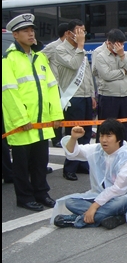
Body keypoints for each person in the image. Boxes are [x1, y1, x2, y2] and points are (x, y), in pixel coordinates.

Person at [2, 14, 64, 211]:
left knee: (40, 161)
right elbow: (9, 92)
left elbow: (52, 87)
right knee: (21, 164)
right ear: (15, 35)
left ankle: (41, 193)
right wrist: (21, 119)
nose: (31, 34)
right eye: (26, 31)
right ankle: (25, 197)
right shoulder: (8, 59)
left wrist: (55, 115)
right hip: (22, 123)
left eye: (32, 30)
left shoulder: (39, 57)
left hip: (41, 122)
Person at [51, 119, 127, 229]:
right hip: (98, 195)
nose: (104, 140)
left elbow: (118, 189)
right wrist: (74, 138)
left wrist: (94, 207)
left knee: (122, 201)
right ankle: (114, 217)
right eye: (102, 136)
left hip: (120, 197)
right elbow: (73, 154)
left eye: (109, 136)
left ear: (119, 138)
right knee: (70, 202)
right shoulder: (97, 149)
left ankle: (76, 220)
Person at [56, 19, 96, 181]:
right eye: (79, 30)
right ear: (69, 33)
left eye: (84, 31)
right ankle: (69, 167)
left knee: (86, 133)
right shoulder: (61, 50)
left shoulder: (81, 50)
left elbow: (87, 74)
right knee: (74, 133)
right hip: (73, 98)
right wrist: (80, 47)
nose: (82, 34)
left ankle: (82, 163)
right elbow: (73, 65)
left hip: (86, 96)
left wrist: (92, 94)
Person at [94, 28, 127, 142]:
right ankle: (103, 149)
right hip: (109, 96)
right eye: (117, 44)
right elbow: (106, 75)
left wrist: (122, 56)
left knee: (124, 126)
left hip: (125, 95)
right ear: (109, 43)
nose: (120, 47)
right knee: (107, 127)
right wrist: (123, 72)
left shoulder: (124, 54)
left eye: (122, 44)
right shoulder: (101, 56)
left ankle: (123, 148)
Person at [42, 22, 69, 147]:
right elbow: (40, 60)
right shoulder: (52, 47)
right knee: (57, 113)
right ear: (66, 33)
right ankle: (56, 139)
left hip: (68, 85)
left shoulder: (70, 47)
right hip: (56, 85)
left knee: (66, 113)